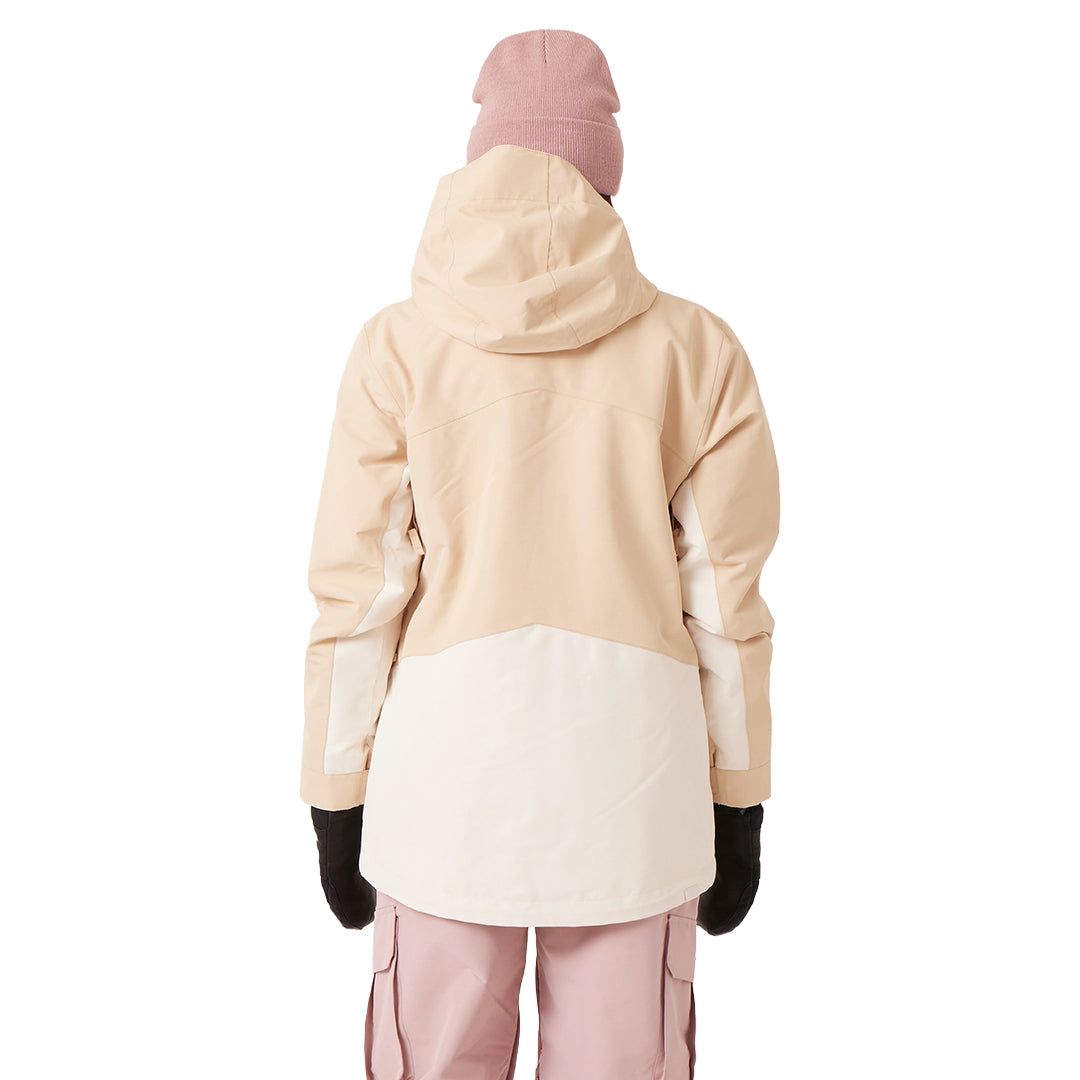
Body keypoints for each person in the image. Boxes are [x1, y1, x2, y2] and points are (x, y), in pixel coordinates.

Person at [301, 28, 780, 1080]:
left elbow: (358, 598)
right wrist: (740, 799)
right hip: (635, 791)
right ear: (607, 172)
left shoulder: (396, 349)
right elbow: (728, 607)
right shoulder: (697, 351)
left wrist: (334, 796)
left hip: (443, 793)